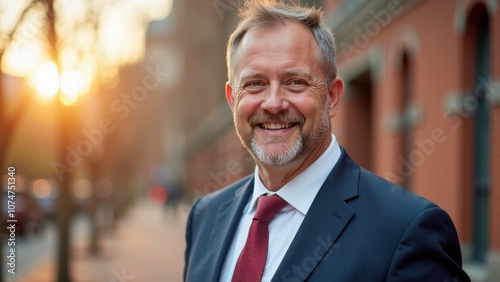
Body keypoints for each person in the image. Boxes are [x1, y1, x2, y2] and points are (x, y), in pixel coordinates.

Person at [184, 1, 470, 281]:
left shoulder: (406, 231)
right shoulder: (204, 217)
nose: (273, 103)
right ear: (233, 100)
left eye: (295, 81)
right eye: (255, 84)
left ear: (332, 97)